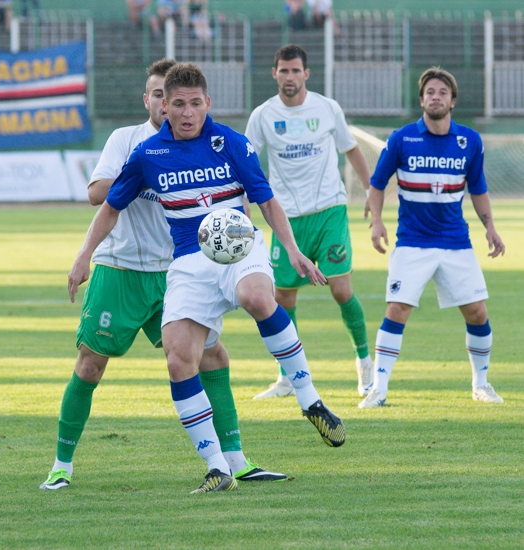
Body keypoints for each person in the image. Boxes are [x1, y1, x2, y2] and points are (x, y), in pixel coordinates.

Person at [68, 62, 346, 494]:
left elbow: (266, 200)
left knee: (257, 297)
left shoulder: (230, 142)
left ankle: (309, 400)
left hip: (240, 247)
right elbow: (109, 207)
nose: (187, 112)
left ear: (207, 103)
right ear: (164, 105)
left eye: (195, 103)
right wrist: (84, 255)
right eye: (178, 104)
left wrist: (292, 250)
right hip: (188, 263)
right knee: (179, 359)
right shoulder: (147, 155)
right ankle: (218, 468)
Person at [361, 67, 506, 408]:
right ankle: (378, 389)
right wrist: (377, 222)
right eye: (430, 92)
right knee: (397, 309)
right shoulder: (402, 138)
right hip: (412, 242)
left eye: (442, 92)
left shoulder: (469, 141)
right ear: (422, 99)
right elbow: (377, 184)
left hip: (456, 242)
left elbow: (478, 189)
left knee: (478, 313)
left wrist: (490, 227)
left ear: (452, 101)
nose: (435, 97)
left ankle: (481, 384)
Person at [245, 44, 374, 400]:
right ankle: (288, 376)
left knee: (341, 290)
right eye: (283, 71)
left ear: (306, 73)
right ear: (274, 73)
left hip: (329, 211)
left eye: (295, 70)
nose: (290, 77)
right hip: (286, 219)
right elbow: (246, 162)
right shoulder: (262, 116)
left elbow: (351, 149)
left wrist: (370, 190)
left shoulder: (327, 108)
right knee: (282, 297)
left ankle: (365, 363)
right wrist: (242, 206)